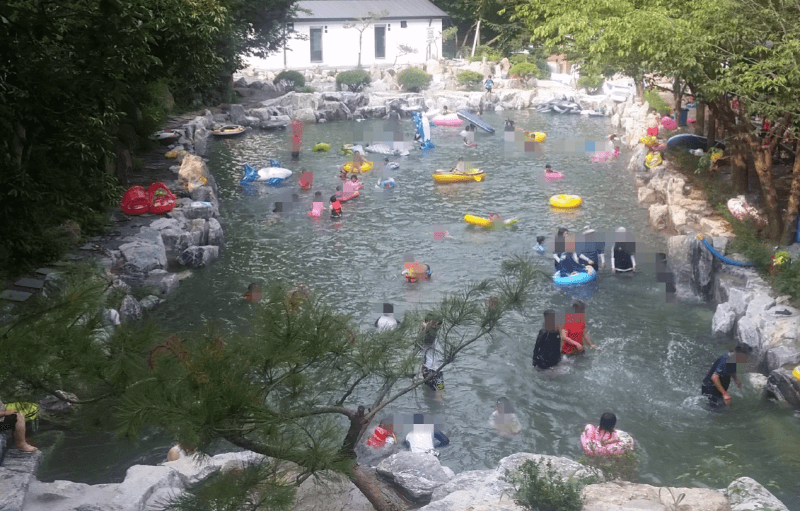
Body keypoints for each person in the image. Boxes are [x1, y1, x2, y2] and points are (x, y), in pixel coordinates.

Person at [419, 314, 445, 399]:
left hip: (435, 370)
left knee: (439, 393)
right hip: (431, 370)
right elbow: (427, 338)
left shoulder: (427, 335)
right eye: (434, 323)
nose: (436, 326)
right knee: (438, 394)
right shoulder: (429, 335)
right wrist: (426, 327)